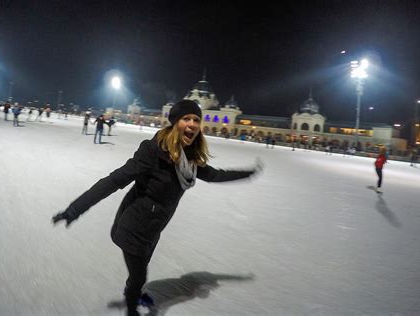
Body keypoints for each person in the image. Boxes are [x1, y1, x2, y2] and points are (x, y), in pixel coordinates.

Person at [52, 100, 262, 316]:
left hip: (154, 228)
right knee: (139, 276)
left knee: (138, 274)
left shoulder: (190, 160)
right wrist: (74, 210)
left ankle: (132, 291)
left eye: (196, 120)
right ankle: (132, 307)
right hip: (134, 226)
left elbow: (216, 175)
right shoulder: (153, 151)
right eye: (186, 119)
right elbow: (115, 180)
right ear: (175, 123)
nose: (192, 124)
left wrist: (248, 173)